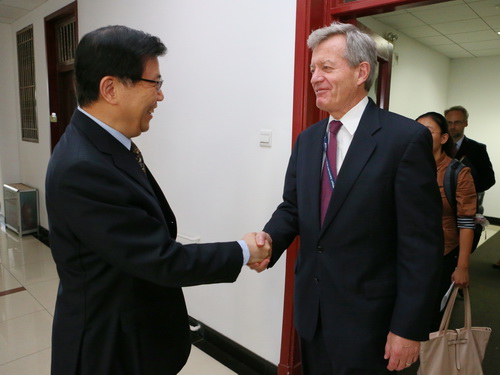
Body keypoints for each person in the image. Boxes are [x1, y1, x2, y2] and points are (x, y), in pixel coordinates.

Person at [45, 25, 270, 375]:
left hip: (138, 332)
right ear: (111, 88)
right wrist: (243, 251)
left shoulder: (104, 144)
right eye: (155, 84)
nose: (161, 97)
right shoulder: (83, 167)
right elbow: (160, 259)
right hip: (110, 350)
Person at [252, 22, 443, 375]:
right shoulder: (308, 140)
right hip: (314, 313)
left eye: (326, 67)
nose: (314, 78)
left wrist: (407, 328)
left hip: (373, 323)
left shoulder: (404, 139)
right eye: (312, 69)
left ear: (361, 72)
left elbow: (421, 245)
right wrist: (269, 241)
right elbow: (293, 207)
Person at [416, 112, 477, 330]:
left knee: (432, 313)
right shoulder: (404, 166)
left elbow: (467, 223)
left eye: (428, 131)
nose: (421, 135)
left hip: (441, 252)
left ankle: (429, 361)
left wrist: (462, 267)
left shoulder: (457, 173)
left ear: (443, 138)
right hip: (407, 251)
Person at [444, 105, 495, 214]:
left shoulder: (478, 149)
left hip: (466, 207)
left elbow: (489, 179)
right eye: (449, 122)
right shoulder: (437, 147)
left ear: (466, 123)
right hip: (441, 208)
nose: (452, 127)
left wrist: (466, 190)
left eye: (457, 122)